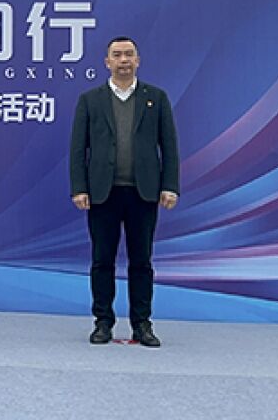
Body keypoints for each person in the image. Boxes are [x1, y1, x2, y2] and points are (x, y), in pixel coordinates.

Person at [70, 36, 180, 347]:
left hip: (143, 193)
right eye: (117, 55)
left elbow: (169, 146)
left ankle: (142, 324)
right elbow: (78, 148)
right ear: (107, 62)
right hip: (102, 193)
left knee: (141, 261)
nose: (123, 60)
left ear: (138, 60)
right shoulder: (91, 100)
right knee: (102, 260)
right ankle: (103, 322)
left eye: (129, 54)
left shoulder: (155, 98)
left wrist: (170, 185)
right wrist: (79, 188)